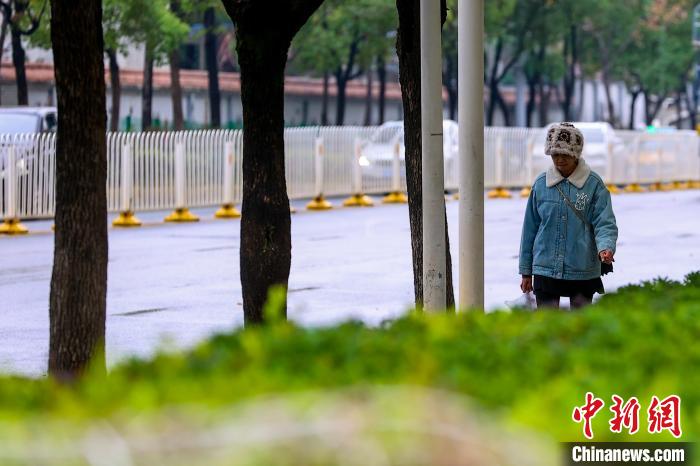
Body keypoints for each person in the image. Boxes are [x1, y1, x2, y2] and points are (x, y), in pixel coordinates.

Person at [519, 122, 618, 309]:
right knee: (546, 321)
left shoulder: (594, 185)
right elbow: (529, 230)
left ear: (576, 154)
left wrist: (606, 247)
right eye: (555, 154)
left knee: (581, 323)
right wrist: (526, 271)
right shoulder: (540, 184)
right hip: (545, 268)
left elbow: (604, 222)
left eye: (565, 155)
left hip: (582, 268)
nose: (559, 160)